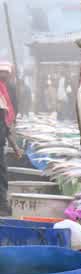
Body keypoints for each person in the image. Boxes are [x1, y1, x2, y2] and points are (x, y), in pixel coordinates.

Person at [0, 64, 15, 216]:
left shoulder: (5, 88)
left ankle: (2, 204)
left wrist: (15, 147)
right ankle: (2, 205)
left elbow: (5, 122)